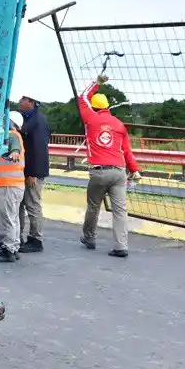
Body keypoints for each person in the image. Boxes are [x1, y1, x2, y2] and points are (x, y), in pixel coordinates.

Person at [76, 75, 140, 257]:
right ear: (107, 107)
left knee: (93, 205)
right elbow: (126, 150)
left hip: (99, 171)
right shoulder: (119, 125)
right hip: (119, 171)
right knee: (120, 210)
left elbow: (82, 98)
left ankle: (89, 237)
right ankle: (121, 246)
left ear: (94, 107)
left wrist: (97, 83)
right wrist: (134, 169)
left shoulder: (90, 118)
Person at [13, 95, 50, 253]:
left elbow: (39, 149)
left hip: (32, 171)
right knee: (20, 205)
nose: (20, 101)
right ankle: (18, 237)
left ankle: (36, 239)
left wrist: (33, 173)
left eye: (24, 99)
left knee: (32, 205)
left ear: (32, 103)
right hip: (24, 170)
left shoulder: (37, 121)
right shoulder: (27, 118)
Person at [0, 113, 26, 263]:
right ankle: (14, 247)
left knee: (6, 219)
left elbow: (15, 147)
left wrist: (14, 152)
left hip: (8, 185)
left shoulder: (12, 135)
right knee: (13, 218)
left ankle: (8, 249)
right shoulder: (13, 136)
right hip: (14, 185)